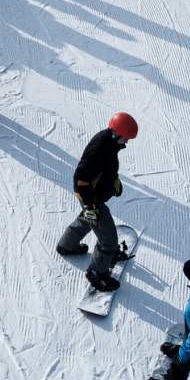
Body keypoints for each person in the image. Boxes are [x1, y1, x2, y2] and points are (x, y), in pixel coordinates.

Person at [57, 112, 139, 291]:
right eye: (126, 138)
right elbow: (80, 178)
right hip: (91, 199)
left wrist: (113, 180)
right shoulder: (99, 149)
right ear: (118, 134)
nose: (127, 142)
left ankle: (67, 245)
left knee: (87, 220)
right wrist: (90, 206)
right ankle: (96, 273)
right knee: (108, 239)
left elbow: (105, 167)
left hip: (94, 197)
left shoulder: (109, 142)